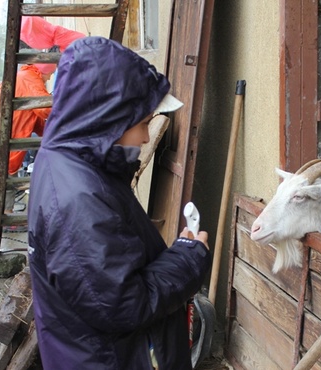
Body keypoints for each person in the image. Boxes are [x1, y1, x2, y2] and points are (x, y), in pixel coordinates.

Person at [27, 36, 211, 369]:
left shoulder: (76, 166)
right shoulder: (77, 199)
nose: (145, 137)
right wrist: (188, 258)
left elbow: (113, 275)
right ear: (105, 118)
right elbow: (123, 304)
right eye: (142, 123)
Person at [0, 63, 54, 215]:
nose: (50, 77)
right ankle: (4, 214)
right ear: (44, 71)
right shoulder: (31, 80)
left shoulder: (24, 76)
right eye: (50, 73)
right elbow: (44, 108)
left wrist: (47, 132)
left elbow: (34, 116)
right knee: (6, 175)